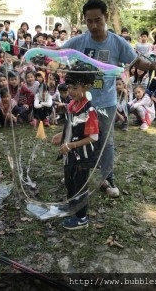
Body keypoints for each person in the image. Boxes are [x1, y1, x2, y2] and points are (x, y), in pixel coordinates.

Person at [60, 0, 156, 197]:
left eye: (98, 20)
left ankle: (107, 177)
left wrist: (152, 66)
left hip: (106, 102)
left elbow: (137, 61)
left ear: (105, 17)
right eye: (89, 21)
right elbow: (58, 51)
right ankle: (76, 172)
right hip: (81, 104)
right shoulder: (79, 41)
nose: (94, 25)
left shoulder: (117, 43)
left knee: (105, 141)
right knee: (77, 137)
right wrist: (28, 53)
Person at [51, 65, 99, 230]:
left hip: (82, 157)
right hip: (69, 155)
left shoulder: (89, 110)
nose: (70, 91)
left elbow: (93, 137)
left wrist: (71, 144)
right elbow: (71, 125)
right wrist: (62, 135)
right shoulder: (73, 105)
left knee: (80, 185)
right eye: (69, 87)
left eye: (75, 88)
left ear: (87, 87)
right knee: (70, 181)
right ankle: (72, 205)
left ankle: (82, 217)